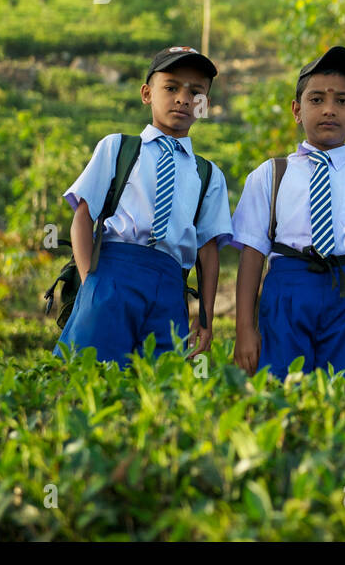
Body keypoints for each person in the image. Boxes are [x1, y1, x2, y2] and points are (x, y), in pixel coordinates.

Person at [230, 46, 345, 381]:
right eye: (316, 100)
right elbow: (253, 254)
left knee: (343, 393)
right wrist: (245, 328)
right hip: (288, 288)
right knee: (281, 389)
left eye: (342, 101)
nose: (329, 110)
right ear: (297, 110)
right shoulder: (271, 174)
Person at [54, 46, 232, 367]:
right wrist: (90, 285)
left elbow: (207, 251)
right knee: (87, 377)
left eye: (196, 92)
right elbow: (83, 216)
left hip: (170, 289)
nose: (183, 98)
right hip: (112, 274)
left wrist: (205, 319)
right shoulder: (117, 148)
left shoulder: (207, 174)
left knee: (159, 389)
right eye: (171, 87)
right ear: (147, 93)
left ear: (205, 104)